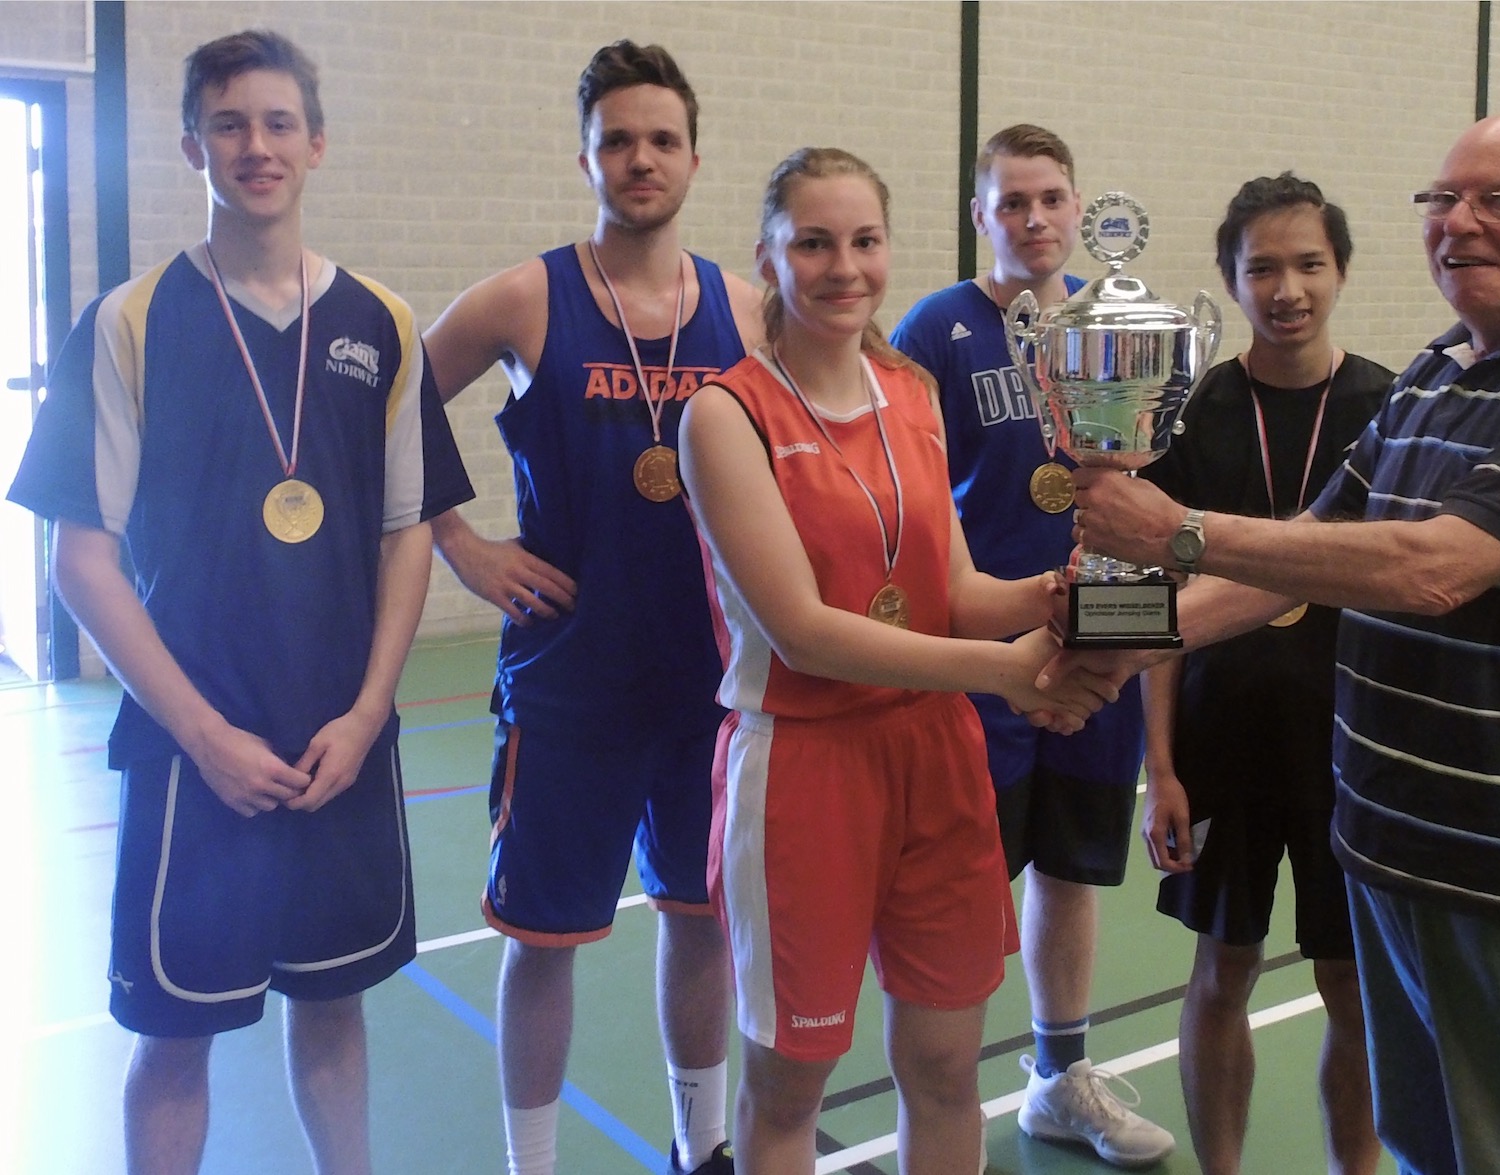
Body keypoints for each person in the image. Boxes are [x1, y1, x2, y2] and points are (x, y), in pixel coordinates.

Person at [1063, 114, 1500, 1174]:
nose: (1461, 222)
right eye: (1442, 200)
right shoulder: (1441, 371)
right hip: (1384, 840)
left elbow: (1433, 568)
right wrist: (1111, 644)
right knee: (1425, 1144)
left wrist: (1176, 531)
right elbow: (1301, 552)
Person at [5, 29, 472, 1174]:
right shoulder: (128, 322)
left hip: (337, 743)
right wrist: (203, 734)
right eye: (228, 124)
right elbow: (81, 560)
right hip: (190, 752)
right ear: (191, 147)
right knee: (174, 1033)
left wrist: (368, 711)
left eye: (276, 123)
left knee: (333, 1006)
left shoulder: (382, 322)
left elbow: (407, 533)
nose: (254, 145)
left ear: (316, 143)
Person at [678, 147, 1116, 1175]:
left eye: (865, 241)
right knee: (788, 1089)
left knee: (947, 1067)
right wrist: (1004, 671)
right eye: (814, 243)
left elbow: (955, 587)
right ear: (768, 257)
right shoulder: (724, 414)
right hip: (804, 769)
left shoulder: (913, 391)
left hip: (937, 754)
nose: (845, 267)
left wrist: (1060, 596)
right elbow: (805, 630)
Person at [421, 42, 760, 1175]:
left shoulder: (746, 308)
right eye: (618, 140)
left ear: (695, 157)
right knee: (543, 939)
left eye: (662, 139)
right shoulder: (528, 296)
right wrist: (460, 541)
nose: (640, 158)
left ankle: (703, 1145)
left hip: (711, 679)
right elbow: (386, 404)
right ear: (586, 159)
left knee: (700, 919)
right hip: (571, 679)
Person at [889, 124, 1174, 1170]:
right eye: (1013, 201)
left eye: (1052, 197)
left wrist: (1112, 644)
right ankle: (944, 1096)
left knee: (1070, 868)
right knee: (969, 884)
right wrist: (1000, 639)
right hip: (987, 655)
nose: (1036, 218)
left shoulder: (1115, 322)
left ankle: (1059, 1077)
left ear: (1080, 206)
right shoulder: (936, 329)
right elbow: (919, 501)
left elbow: (1144, 493)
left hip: (1099, 649)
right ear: (981, 215)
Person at [1136, 174, 1388, 1175]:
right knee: (1222, 969)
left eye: (1309, 264)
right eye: (1264, 268)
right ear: (1232, 280)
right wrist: (1161, 765)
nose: (1288, 289)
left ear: (1342, 271)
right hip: (1221, 746)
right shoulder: (1196, 411)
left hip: (1351, 752)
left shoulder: (1388, 407)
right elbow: (1158, 604)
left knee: (1352, 986)